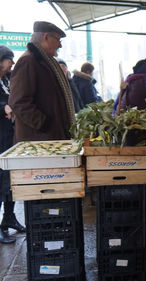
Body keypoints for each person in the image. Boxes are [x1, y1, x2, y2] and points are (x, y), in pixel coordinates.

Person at [9, 21, 75, 142]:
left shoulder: (46, 62)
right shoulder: (28, 61)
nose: (60, 45)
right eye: (58, 40)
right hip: (38, 141)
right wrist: (45, 124)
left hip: (49, 138)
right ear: (46, 37)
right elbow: (18, 102)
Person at [0, 45, 25, 244]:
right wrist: (4, 107)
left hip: (9, 138)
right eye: (10, 59)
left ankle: (9, 218)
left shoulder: (7, 80)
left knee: (10, 182)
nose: (12, 63)